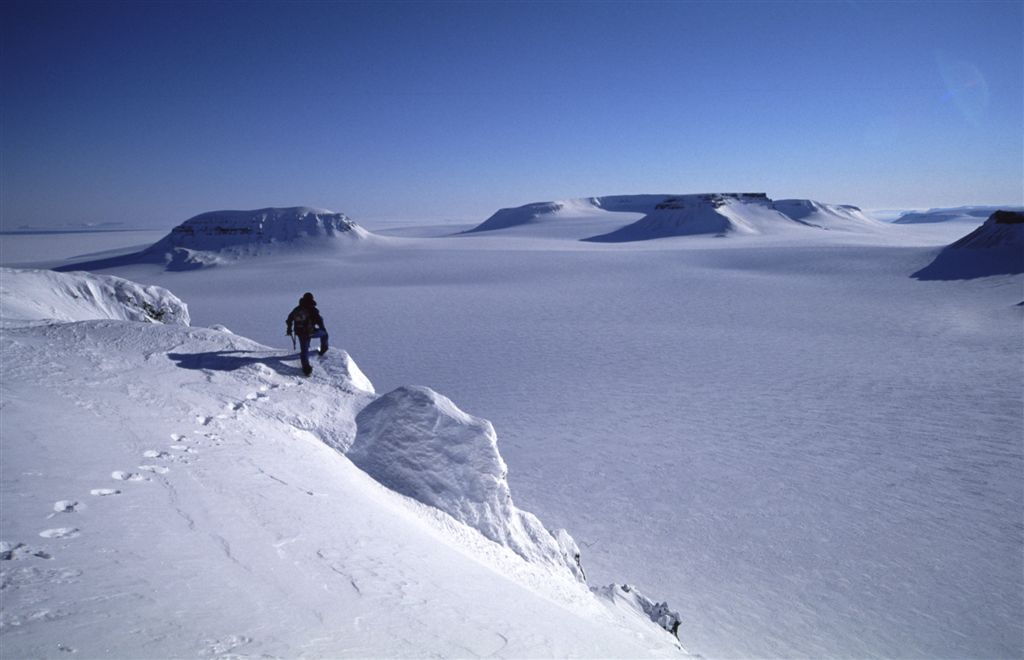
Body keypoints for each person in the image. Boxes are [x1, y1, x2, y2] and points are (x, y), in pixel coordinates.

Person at [286, 292, 329, 376]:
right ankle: (323, 350)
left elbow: (289, 319)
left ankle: (306, 369)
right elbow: (319, 320)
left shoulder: (297, 309)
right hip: (310, 332)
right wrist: (323, 328)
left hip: (300, 332)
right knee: (325, 335)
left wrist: (289, 329)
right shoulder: (312, 309)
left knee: (304, 350)